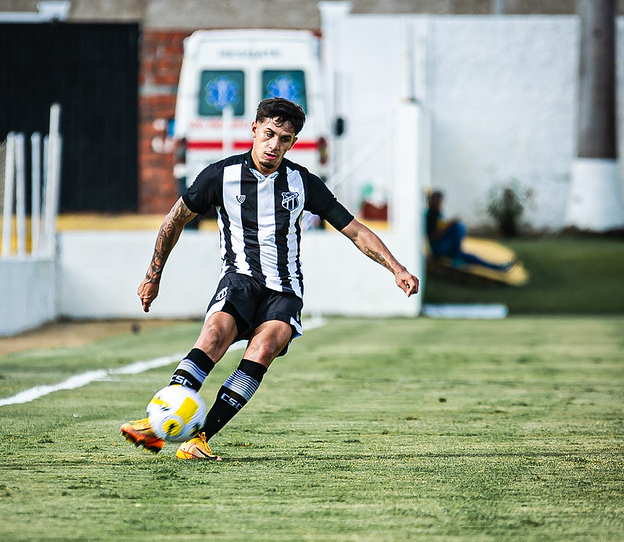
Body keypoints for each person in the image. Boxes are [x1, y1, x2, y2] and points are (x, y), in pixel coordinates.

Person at [121, 98, 419, 461]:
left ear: (292, 143)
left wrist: (397, 268)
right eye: (269, 134)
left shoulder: (302, 182)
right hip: (239, 280)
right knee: (214, 337)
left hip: (285, 289)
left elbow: (355, 230)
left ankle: (199, 438)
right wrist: (153, 276)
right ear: (254, 129)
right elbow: (174, 220)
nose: (274, 145)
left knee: (264, 348)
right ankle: (157, 423)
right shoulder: (221, 175)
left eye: (285, 138)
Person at [425, 190, 515, 271]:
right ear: (433, 201)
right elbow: (434, 236)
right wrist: (449, 226)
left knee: (472, 257)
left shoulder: (438, 213)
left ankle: (500, 268)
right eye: (439, 201)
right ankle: (457, 258)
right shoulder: (431, 215)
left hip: (447, 246)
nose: (440, 204)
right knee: (458, 227)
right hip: (439, 248)